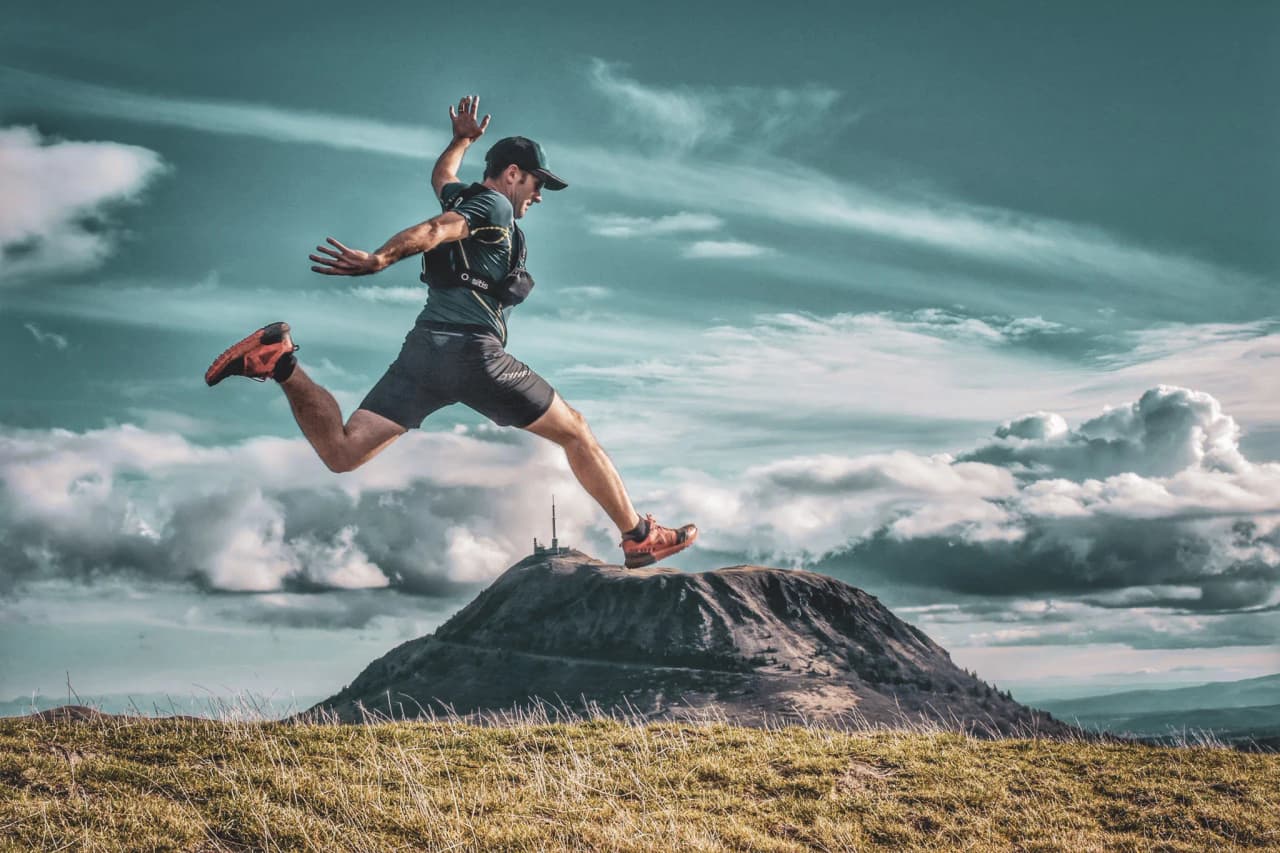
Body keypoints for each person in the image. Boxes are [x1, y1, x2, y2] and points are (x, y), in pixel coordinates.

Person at [204, 95, 696, 569]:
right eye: (536, 183)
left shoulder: (467, 195)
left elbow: (442, 177)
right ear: (511, 175)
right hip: (473, 353)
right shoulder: (493, 208)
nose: (539, 195)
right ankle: (639, 539)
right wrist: (381, 258)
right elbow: (437, 229)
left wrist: (460, 139)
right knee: (577, 432)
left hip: (425, 353)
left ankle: (281, 362)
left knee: (343, 451)